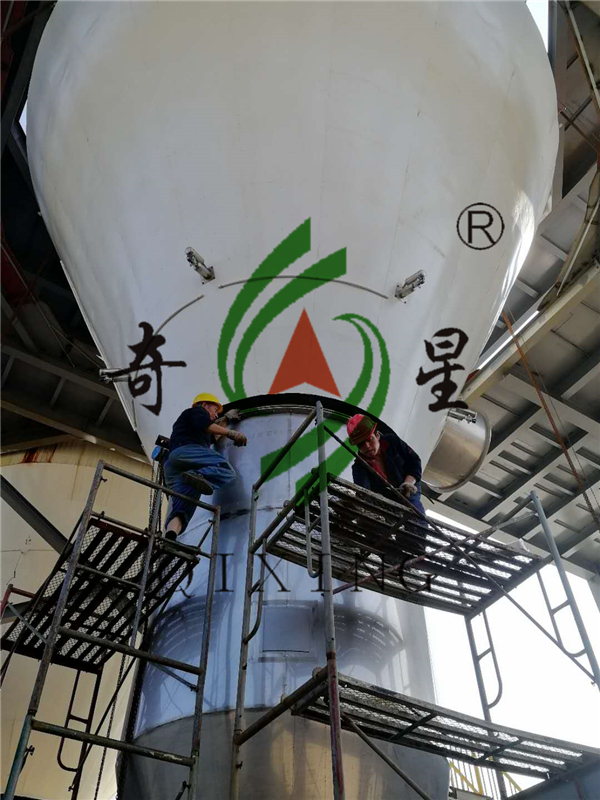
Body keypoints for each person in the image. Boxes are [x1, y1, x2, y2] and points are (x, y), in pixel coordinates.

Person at [163, 393, 247, 539]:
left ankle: (171, 533)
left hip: (174, 469)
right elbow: (206, 425)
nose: (215, 415)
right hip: (186, 452)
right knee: (225, 469)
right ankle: (199, 474)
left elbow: (213, 435)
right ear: (204, 404)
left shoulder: (197, 426)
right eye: (215, 410)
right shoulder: (196, 411)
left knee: (184, 505)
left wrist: (226, 419)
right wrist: (231, 433)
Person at [347, 414, 425, 515]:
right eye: (361, 444)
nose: (367, 446)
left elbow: (414, 461)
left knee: (415, 513)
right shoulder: (359, 467)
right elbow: (364, 493)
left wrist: (408, 483)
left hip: (409, 490)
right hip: (385, 503)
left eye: (370, 439)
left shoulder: (393, 442)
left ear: (377, 435)